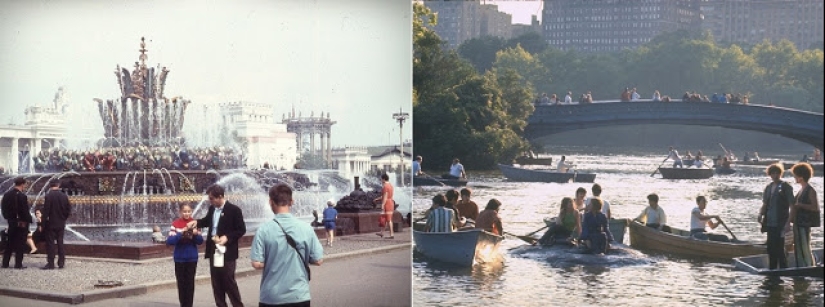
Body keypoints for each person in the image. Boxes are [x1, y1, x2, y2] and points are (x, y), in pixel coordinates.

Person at [251, 184, 324, 307]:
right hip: (299, 295)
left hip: (271, 296)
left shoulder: (263, 230)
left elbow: (257, 263)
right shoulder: (306, 228)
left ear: (270, 202)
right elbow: (318, 260)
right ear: (292, 202)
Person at [186, 184, 246, 307]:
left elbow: (241, 229)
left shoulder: (234, 210)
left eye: (212, 198)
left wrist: (227, 237)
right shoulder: (212, 209)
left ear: (220, 197)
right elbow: (207, 221)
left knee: (228, 280)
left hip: (226, 250)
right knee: (216, 281)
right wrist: (196, 222)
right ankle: (220, 304)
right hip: (214, 248)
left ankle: (237, 305)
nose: (210, 201)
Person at [166, 203, 204, 307]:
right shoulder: (176, 224)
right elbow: (170, 241)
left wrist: (195, 234)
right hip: (179, 258)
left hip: (192, 258)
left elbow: (200, 241)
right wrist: (181, 233)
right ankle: (183, 304)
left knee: (190, 283)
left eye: (188, 211)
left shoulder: (194, 223)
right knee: (181, 284)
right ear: (180, 212)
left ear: (191, 211)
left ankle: (189, 305)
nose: (186, 214)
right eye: (184, 211)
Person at [758, 163, 794, 270]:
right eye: (773, 173)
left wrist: (788, 222)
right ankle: (772, 269)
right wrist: (760, 214)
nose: (775, 175)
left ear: (780, 173)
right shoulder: (768, 187)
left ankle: (784, 269)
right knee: (770, 247)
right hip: (770, 221)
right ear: (770, 174)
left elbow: (792, 205)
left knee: (780, 247)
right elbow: (765, 203)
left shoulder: (785, 186)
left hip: (781, 221)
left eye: (777, 173)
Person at [789, 163, 819, 267]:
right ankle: (801, 265)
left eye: (795, 175)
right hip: (798, 222)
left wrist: (800, 205)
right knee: (798, 246)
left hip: (805, 223)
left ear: (801, 176)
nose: (794, 177)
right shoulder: (801, 190)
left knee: (805, 245)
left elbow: (815, 207)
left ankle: (808, 265)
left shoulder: (810, 190)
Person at [2, 177, 32, 269]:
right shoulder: (22, 196)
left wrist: (8, 218)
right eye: (25, 184)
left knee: (9, 243)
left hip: (11, 222)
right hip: (21, 223)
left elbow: (3, 208)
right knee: (20, 244)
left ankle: (5, 263)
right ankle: (18, 264)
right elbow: (24, 211)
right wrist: (29, 220)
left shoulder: (7, 194)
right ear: (22, 184)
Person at [41, 180, 71, 269]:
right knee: (60, 242)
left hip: (51, 223)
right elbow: (68, 209)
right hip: (61, 223)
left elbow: (46, 211)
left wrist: (42, 223)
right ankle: (61, 262)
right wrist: (63, 218)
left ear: (50, 185)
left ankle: (51, 263)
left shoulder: (48, 196)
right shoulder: (64, 196)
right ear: (59, 185)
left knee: (50, 243)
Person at [374, 173, 394, 239]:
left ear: (384, 179)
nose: (381, 180)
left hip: (387, 204)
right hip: (391, 202)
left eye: (381, 179)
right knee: (385, 218)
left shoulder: (385, 186)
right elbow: (386, 195)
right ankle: (382, 233)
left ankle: (391, 235)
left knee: (389, 220)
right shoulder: (390, 185)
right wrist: (377, 199)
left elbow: (385, 196)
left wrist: (382, 205)